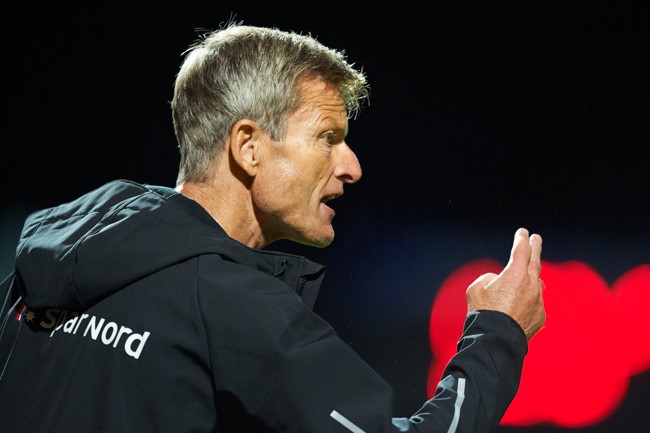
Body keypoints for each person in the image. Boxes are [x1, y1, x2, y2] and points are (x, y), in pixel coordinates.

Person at [0, 20, 546, 433]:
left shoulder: (47, 260)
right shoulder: (231, 301)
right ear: (249, 148)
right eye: (327, 138)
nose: (352, 166)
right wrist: (496, 334)